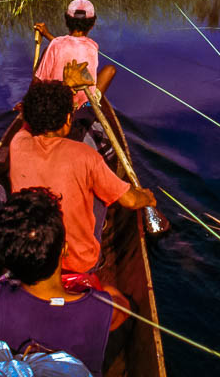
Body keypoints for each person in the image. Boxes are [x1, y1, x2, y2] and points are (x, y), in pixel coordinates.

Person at [0, 188, 131, 377]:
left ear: (8, 260)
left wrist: (2, 282)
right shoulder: (102, 307)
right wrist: (106, 290)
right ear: (64, 249)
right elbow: (125, 306)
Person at [10, 78, 155, 274]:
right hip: (79, 261)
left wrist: (67, 86)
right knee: (101, 194)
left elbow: (32, 116)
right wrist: (146, 197)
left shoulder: (18, 142)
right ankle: (98, 256)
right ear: (68, 120)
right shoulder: (86, 156)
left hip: (32, 255)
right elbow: (129, 201)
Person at [34, 0, 116, 111]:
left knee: (44, 56)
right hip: (84, 107)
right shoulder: (93, 46)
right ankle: (93, 104)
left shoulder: (55, 45)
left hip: (57, 103)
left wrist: (26, 102)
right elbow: (71, 46)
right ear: (92, 24)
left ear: (66, 21)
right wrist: (48, 35)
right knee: (110, 69)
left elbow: (37, 83)